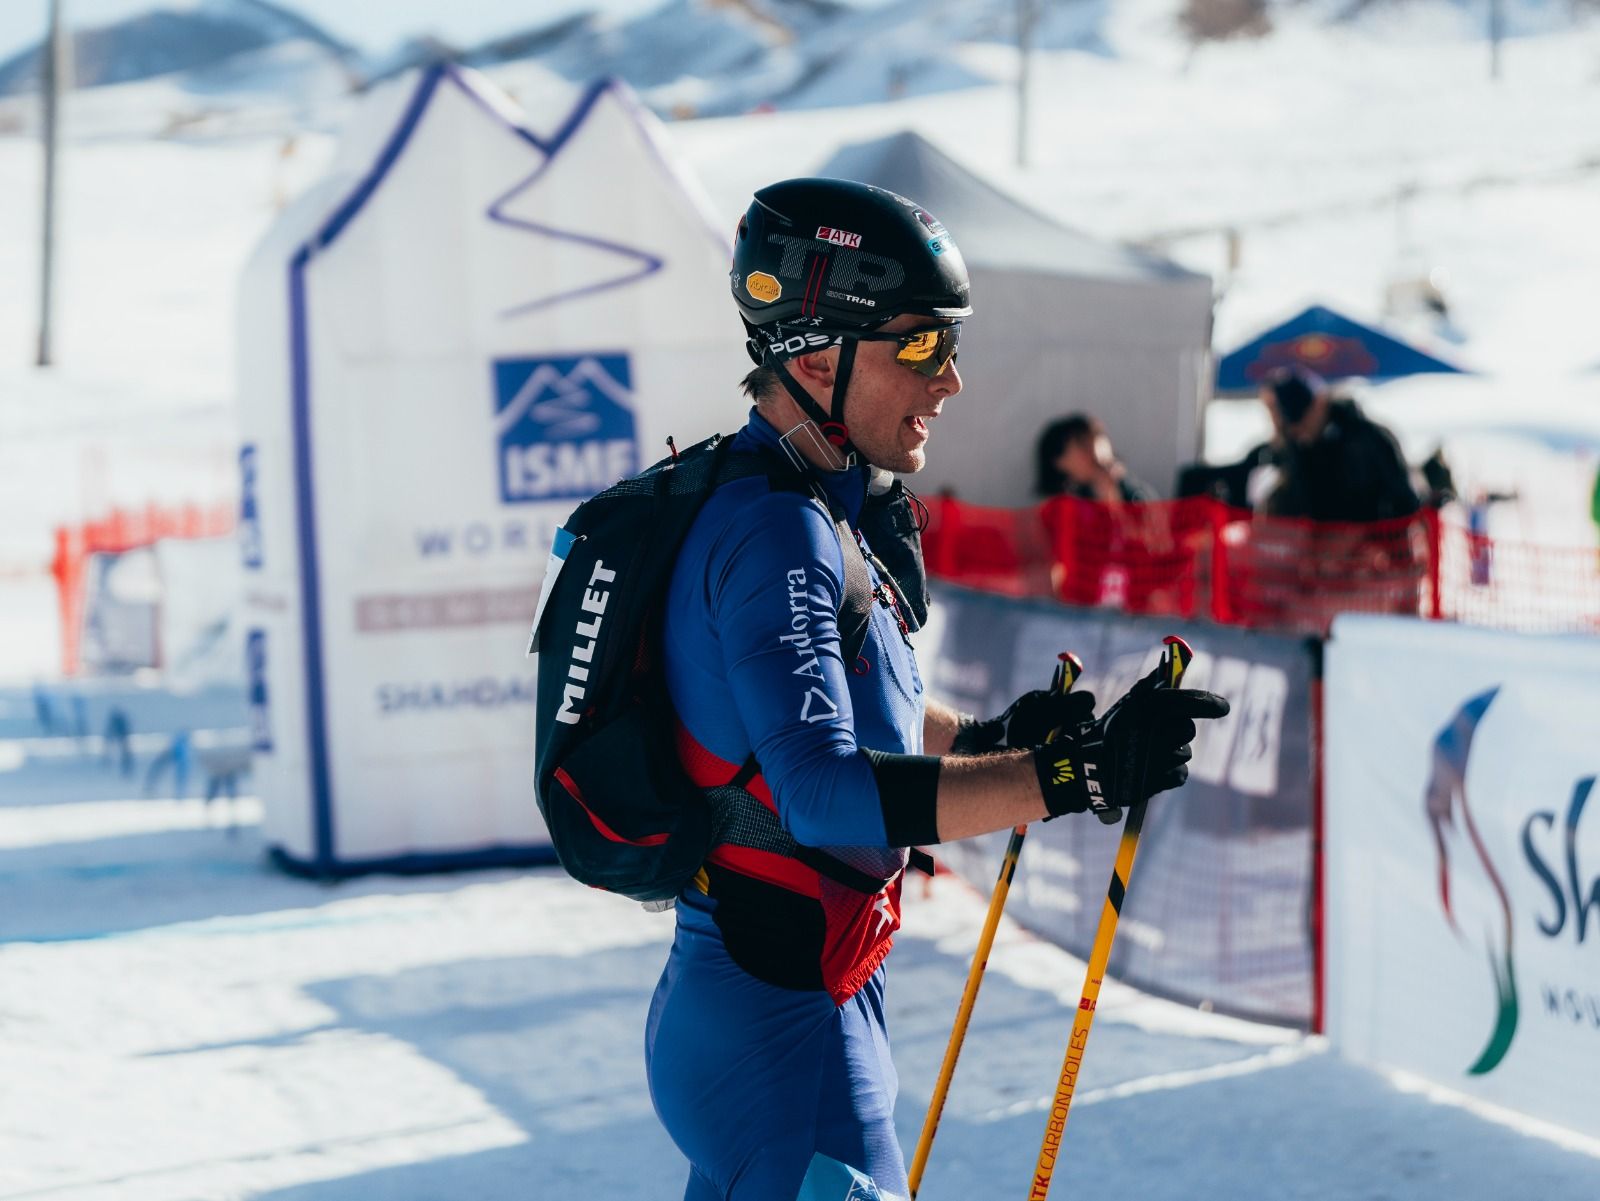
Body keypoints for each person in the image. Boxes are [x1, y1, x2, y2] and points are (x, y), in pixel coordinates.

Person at [644, 177, 1229, 1200]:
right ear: (816, 357)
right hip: (772, 1033)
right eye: (921, 344)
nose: (950, 378)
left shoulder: (816, 503)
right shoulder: (775, 528)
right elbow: (819, 792)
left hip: (810, 1000)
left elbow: (837, 711)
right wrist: (1071, 774)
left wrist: (992, 739)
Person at [1257, 366, 1419, 523]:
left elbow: (1404, 500)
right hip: (1317, 539)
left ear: (1319, 403)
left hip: (1374, 535)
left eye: (1301, 420)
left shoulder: (1369, 439)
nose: (1297, 431)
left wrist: (1372, 534)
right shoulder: (1291, 448)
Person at [1034, 413, 1156, 503]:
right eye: (1082, 444)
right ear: (1059, 461)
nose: (1095, 451)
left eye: (1098, 438)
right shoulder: (1059, 507)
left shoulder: (1133, 492)